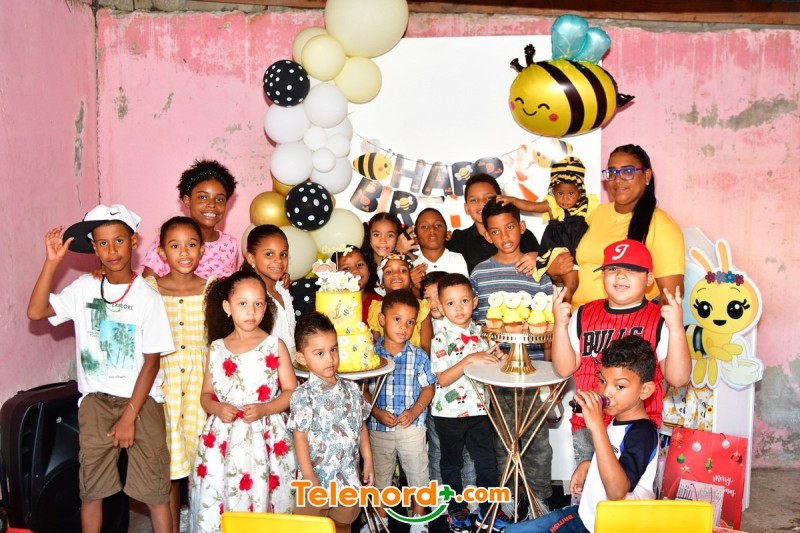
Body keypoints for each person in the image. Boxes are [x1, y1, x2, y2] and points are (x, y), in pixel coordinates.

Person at [27, 204, 175, 533]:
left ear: (133, 241)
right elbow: (36, 312)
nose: (112, 250)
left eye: (119, 241)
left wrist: (129, 416)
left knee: (155, 494)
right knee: (92, 491)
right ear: (94, 248)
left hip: (143, 401)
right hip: (96, 402)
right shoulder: (84, 288)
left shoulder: (148, 297)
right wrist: (52, 263)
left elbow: (151, 363)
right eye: (103, 243)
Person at [550, 239, 690, 469]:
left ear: (649, 279)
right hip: (588, 424)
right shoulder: (584, 313)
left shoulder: (660, 318)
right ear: (602, 276)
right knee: (587, 487)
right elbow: (564, 368)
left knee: (628, 488)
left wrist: (676, 328)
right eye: (612, 269)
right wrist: (559, 326)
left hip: (637, 428)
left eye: (631, 269)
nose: (621, 275)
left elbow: (679, 377)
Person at [503, 335, 660, 533]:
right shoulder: (619, 420)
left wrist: (597, 427)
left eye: (619, 386)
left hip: (606, 526)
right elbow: (615, 458)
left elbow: (617, 491)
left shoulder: (643, 432)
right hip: (587, 515)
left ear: (645, 390)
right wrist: (589, 464)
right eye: (602, 381)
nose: (606, 392)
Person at [189, 271, 297, 532]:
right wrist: (217, 407)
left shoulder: (275, 345)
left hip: (265, 436)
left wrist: (265, 408)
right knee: (222, 492)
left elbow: (291, 392)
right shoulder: (216, 348)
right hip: (223, 439)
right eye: (243, 303)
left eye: (258, 304)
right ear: (228, 307)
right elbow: (205, 395)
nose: (251, 311)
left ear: (266, 307)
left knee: (264, 493)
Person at [469, 198, 555, 519]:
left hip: (534, 372)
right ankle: (508, 494)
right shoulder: (481, 273)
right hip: (497, 374)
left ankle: (539, 497)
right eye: (495, 231)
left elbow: (548, 324)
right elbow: (477, 324)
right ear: (487, 235)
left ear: (521, 227)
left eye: (509, 227)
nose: (504, 236)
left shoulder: (538, 270)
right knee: (502, 439)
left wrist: (550, 373)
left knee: (537, 441)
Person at [547, 145, 685, 309]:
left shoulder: (661, 225)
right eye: (612, 173)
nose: (617, 179)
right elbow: (572, 267)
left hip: (625, 323)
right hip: (576, 317)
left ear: (646, 176)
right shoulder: (595, 213)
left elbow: (670, 297)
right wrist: (553, 269)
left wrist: (634, 323)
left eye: (628, 171)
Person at [145, 216, 213, 533]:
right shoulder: (149, 290)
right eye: (175, 246)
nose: (184, 252)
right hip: (164, 390)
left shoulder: (213, 290)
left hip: (202, 391)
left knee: (204, 467)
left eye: (191, 244)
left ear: (202, 249)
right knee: (169, 471)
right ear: (161, 252)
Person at [430, 273, 506, 532]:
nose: (459, 308)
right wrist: (469, 359)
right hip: (448, 414)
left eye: (464, 301)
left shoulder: (484, 333)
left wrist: (500, 359)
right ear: (441, 307)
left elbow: (492, 367)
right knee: (452, 462)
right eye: (450, 303)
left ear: (474, 302)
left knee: (486, 461)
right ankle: (456, 508)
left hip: (480, 409)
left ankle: (488, 507)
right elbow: (442, 379)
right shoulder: (440, 339)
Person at [289, 312, 374, 533]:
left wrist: (368, 459)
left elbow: (361, 425)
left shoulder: (352, 389)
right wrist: (309, 477)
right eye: (319, 353)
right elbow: (300, 437)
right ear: (301, 358)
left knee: (343, 525)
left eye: (333, 349)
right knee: (310, 528)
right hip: (315, 479)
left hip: (347, 478)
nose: (330, 358)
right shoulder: (303, 395)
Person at [365, 290, 436, 532]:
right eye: (397, 319)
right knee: (380, 475)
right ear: (382, 319)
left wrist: (415, 411)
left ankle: (419, 518)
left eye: (410, 322)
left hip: (411, 428)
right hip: (378, 428)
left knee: (417, 473)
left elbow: (428, 388)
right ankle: (380, 519)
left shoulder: (419, 356)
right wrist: (376, 412)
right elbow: (361, 391)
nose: (403, 327)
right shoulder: (370, 356)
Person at [497, 157, 598, 300]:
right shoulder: (552, 205)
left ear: (580, 191)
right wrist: (513, 200)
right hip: (557, 249)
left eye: (571, 194)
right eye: (560, 193)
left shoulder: (587, 205)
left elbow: (598, 225)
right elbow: (530, 206)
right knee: (568, 283)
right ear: (553, 191)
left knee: (579, 283)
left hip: (578, 251)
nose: (565, 199)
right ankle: (563, 305)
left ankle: (564, 304)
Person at [142, 159, 240, 279]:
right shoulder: (170, 239)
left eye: (219, 199)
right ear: (187, 201)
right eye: (202, 197)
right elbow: (147, 286)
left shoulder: (230, 244)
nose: (212, 204)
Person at [446, 173, 540, 274]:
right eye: (474, 200)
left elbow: (542, 265)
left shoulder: (523, 235)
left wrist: (538, 258)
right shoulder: (458, 239)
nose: (481, 203)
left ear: (502, 200)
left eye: (489, 198)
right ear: (466, 208)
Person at [244, 225, 296, 356]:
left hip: (291, 364)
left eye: (283, 254)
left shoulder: (282, 289)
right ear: (251, 258)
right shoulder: (250, 295)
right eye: (269, 254)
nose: (278, 260)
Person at [368, 253, 433, 355]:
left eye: (403, 270)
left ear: (410, 279)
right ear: (382, 283)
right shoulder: (376, 309)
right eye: (389, 272)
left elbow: (426, 348)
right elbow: (375, 347)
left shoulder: (422, 307)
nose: (396, 274)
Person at [410, 208, 469, 295]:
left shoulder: (463, 260)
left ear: (448, 235)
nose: (432, 230)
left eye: (438, 225)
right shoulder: (411, 270)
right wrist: (414, 288)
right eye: (424, 227)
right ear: (416, 239)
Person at [362, 212, 418, 295]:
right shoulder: (362, 264)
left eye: (390, 235)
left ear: (397, 238)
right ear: (369, 237)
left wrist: (399, 252)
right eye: (376, 235)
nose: (383, 241)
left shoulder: (408, 261)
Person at [331, 245, 383, 323]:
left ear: (369, 270)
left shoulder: (379, 302)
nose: (355, 270)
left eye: (360, 264)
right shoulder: (328, 302)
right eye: (346, 268)